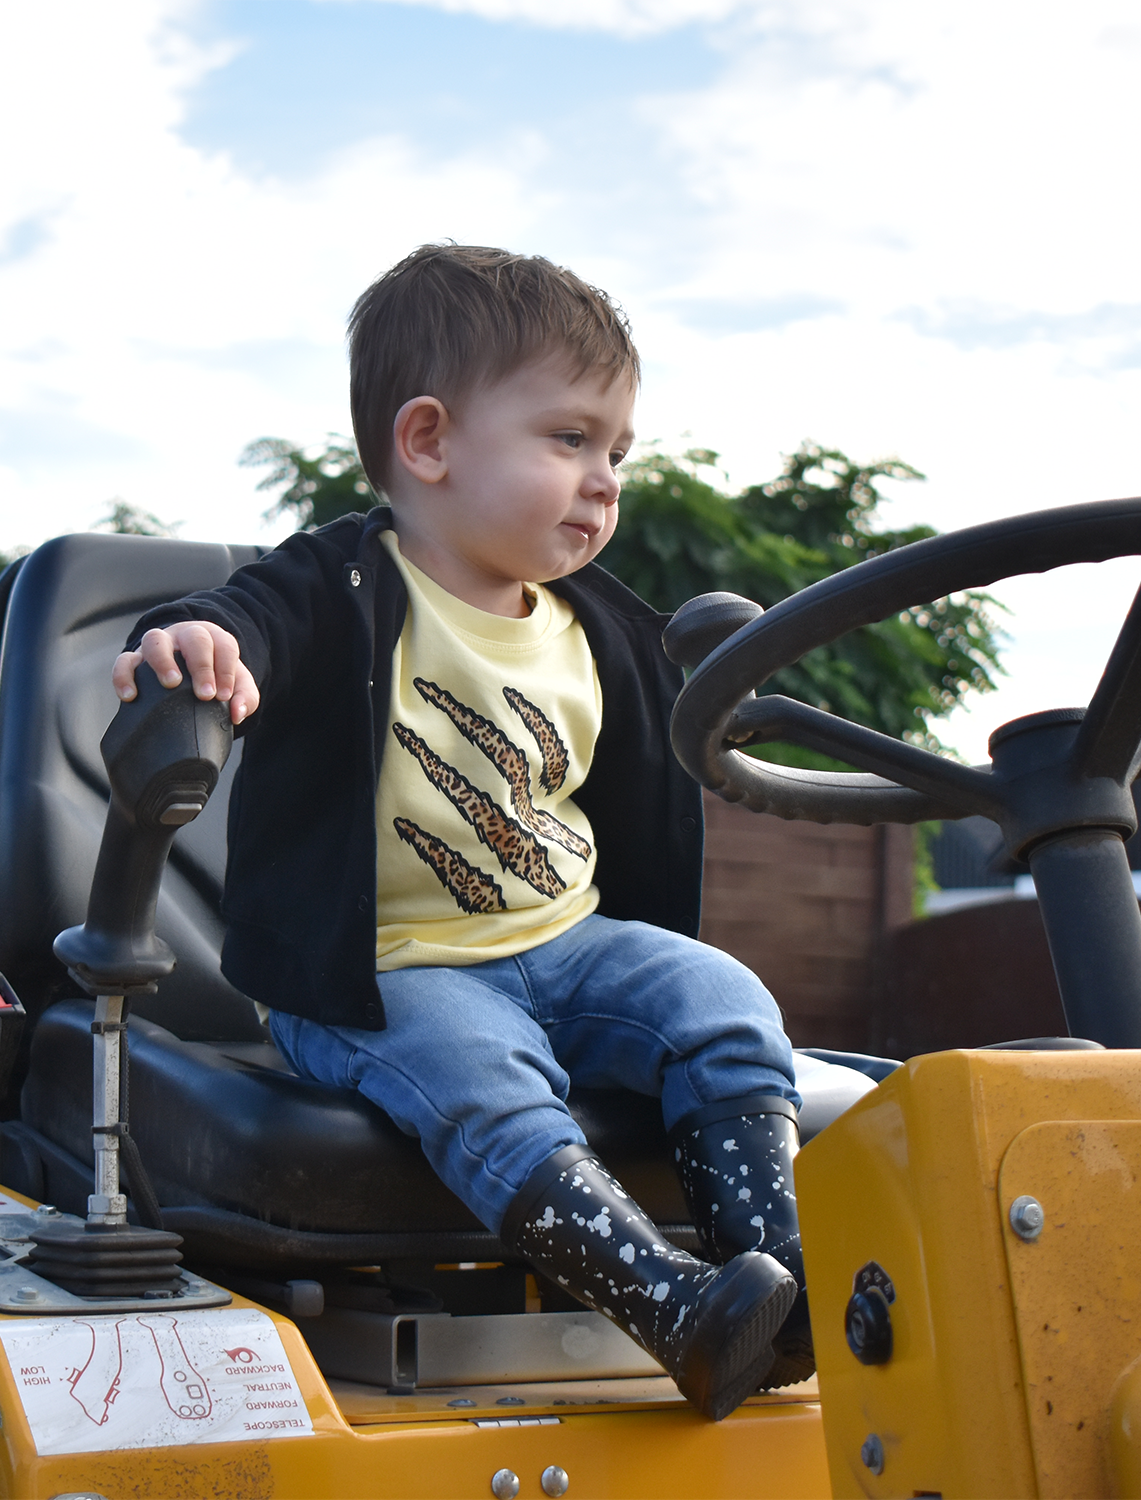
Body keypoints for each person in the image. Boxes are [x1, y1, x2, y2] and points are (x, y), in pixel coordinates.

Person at [113, 244, 811, 1421]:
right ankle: (674, 1309)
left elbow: (672, 752)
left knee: (723, 999)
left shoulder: (607, 627)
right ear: (428, 442)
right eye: (569, 440)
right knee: (484, 1081)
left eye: (618, 453)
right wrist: (198, 643)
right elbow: (239, 621)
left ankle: (778, 1291)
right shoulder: (337, 587)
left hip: (568, 945)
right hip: (388, 971)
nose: (605, 482)